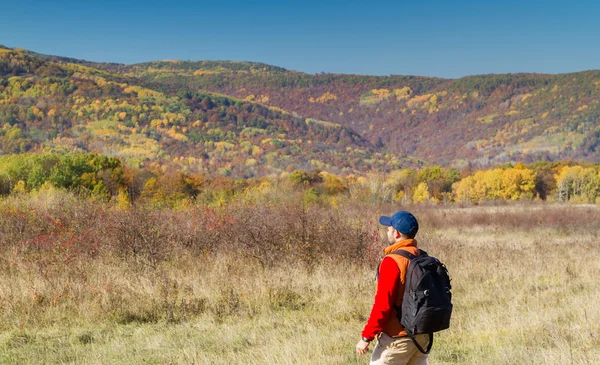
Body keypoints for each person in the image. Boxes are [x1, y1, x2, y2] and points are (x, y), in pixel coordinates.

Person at [356, 210, 430, 365]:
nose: (387, 231)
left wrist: (366, 337)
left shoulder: (392, 261)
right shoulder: (422, 256)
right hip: (422, 337)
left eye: (389, 228)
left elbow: (383, 304)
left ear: (396, 234)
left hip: (397, 339)